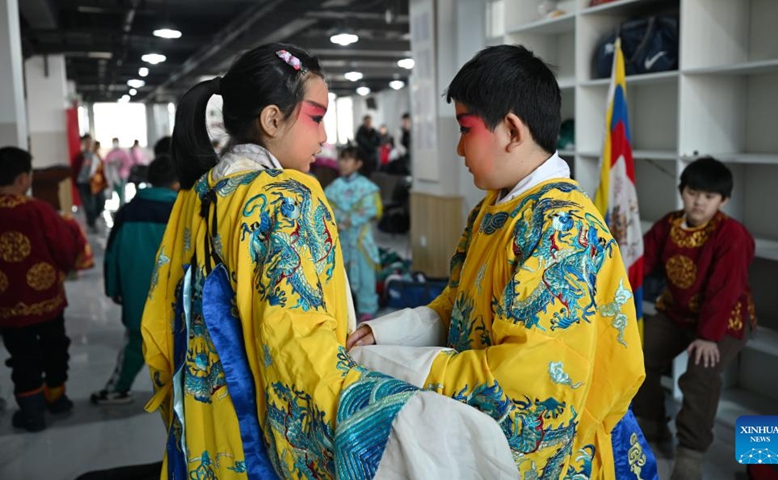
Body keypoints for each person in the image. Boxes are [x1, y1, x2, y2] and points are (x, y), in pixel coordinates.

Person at [142, 43, 516, 479]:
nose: (324, 137)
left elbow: (159, 330)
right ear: (272, 119)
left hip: (203, 430)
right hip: (257, 442)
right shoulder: (287, 198)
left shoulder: (198, 193)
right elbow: (299, 357)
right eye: (316, 118)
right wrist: (395, 415)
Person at [347, 44, 656, 479]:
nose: (458, 148)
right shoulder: (494, 208)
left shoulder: (561, 228)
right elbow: (457, 306)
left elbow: (524, 388)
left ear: (511, 130)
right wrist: (381, 336)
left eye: (465, 128)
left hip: (562, 453)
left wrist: (388, 365)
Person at [633, 156, 756, 479]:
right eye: (693, 192)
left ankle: (691, 451)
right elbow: (642, 262)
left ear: (723, 200)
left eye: (709, 196)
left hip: (723, 320)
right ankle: (652, 423)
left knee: (701, 374)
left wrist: (708, 336)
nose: (699, 201)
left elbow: (725, 291)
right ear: (682, 191)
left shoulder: (733, 236)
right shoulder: (669, 224)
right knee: (637, 354)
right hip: (677, 312)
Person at [0, 146, 80, 431]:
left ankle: (32, 412)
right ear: (24, 178)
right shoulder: (38, 209)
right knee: (54, 348)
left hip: (7, 302)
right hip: (46, 298)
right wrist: (66, 266)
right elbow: (63, 246)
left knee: (22, 355)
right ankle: (56, 399)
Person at [91, 156, 179, 405]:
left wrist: (113, 288)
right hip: (175, 295)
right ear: (176, 182)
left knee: (137, 343)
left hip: (137, 293)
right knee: (180, 343)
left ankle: (118, 388)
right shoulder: (182, 210)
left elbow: (112, 254)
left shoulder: (128, 211)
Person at [324, 146, 382, 321]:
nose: (343, 163)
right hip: (340, 238)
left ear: (358, 164)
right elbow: (327, 209)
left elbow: (372, 208)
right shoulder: (333, 187)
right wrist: (340, 221)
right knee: (341, 276)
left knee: (365, 275)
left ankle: (367, 307)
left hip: (360, 239)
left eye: (348, 159)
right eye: (341, 158)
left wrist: (349, 220)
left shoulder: (367, 187)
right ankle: (344, 309)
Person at [72, 134, 104, 232]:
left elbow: (101, 169)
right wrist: (76, 183)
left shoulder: (96, 155)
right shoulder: (79, 156)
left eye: (90, 142)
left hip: (96, 184)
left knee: (100, 203)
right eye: (86, 142)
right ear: (83, 143)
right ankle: (91, 223)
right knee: (89, 205)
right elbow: (74, 170)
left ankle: (93, 219)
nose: (89, 144)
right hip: (84, 183)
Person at [104, 137, 135, 207]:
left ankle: (122, 207)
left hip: (122, 175)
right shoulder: (110, 153)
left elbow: (129, 163)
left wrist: (120, 165)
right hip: (113, 176)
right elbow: (105, 163)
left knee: (122, 192)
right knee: (116, 191)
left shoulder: (123, 152)